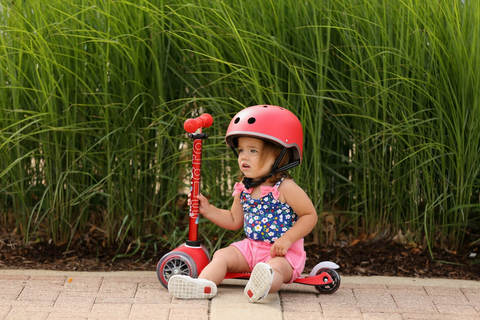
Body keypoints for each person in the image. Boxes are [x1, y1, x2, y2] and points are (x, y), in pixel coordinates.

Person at [168, 105, 318, 303]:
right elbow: (234, 220)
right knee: (222, 255)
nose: (243, 157)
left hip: (282, 253)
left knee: (276, 270)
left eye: (253, 151)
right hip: (251, 248)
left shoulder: (286, 188)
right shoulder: (243, 189)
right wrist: (208, 209)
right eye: (240, 151)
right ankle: (203, 285)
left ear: (280, 155)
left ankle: (262, 286)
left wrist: (287, 239)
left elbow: (310, 216)